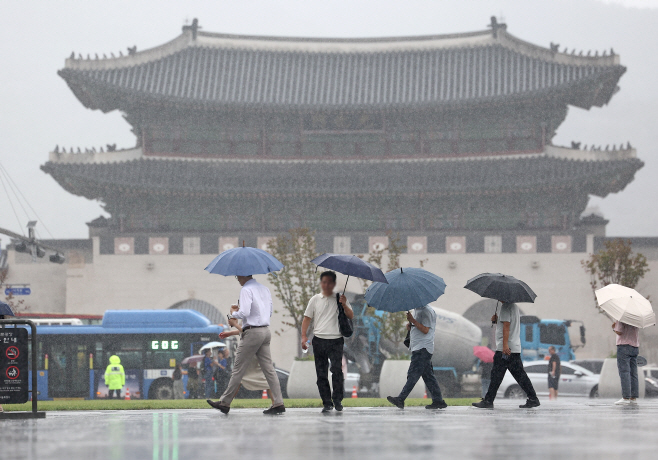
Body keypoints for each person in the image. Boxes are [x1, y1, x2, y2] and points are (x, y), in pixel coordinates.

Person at [207, 275, 285, 415]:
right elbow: (269, 311)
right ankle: (278, 402)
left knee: (238, 369)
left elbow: (245, 313)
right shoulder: (265, 289)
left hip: (252, 332)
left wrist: (233, 315)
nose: (237, 278)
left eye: (238, 276)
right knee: (269, 370)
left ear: (244, 275)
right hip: (265, 331)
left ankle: (224, 403)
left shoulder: (246, 290)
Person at [301, 271, 354, 413]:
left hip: (336, 340)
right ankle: (326, 402)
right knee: (321, 373)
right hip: (319, 340)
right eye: (324, 282)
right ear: (321, 283)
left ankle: (337, 400)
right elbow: (307, 318)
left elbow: (351, 315)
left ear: (334, 284)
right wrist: (303, 337)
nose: (326, 285)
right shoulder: (315, 299)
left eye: (329, 282)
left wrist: (344, 305)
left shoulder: (340, 298)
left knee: (337, 370)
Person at [472, 302, 540, 409]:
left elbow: (506, 326)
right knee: (519, 375)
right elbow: (508, 324)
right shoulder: (514, 307)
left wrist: (505, 346)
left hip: (506, 349)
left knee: (496, 375)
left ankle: (488, 401)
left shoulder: (506, 307)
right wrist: (497, 320)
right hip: (514, 347)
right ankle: (533, 398)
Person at [386, 305, 448, 410]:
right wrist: (411, 326)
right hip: (419, 348)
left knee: (413, 375)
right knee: (429, 377)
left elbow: (426, 330)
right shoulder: (417, 310)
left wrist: (413, 321)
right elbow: (420, 327)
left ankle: (400, 399)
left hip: (422, 349)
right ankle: (438, 401)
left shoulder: (426, 311)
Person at [219, 326, 275, 403]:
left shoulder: (249, 317)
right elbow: (244, 330)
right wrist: (230, 333)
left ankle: (225, 403)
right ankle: (277, 403)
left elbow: (245, 330)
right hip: (256, 346)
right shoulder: (259, 322)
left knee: (239, 376)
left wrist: (232, 318)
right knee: (264, 378)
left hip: (250, 347)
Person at [612, 321, 640, 405]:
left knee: (624, 372)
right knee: (633, 373)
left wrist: (614, 327)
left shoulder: (622, 318)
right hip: (635, 347)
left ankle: (626, 397)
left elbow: (619, 332)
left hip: (624, 346)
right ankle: (633, 397)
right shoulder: (636, 319)